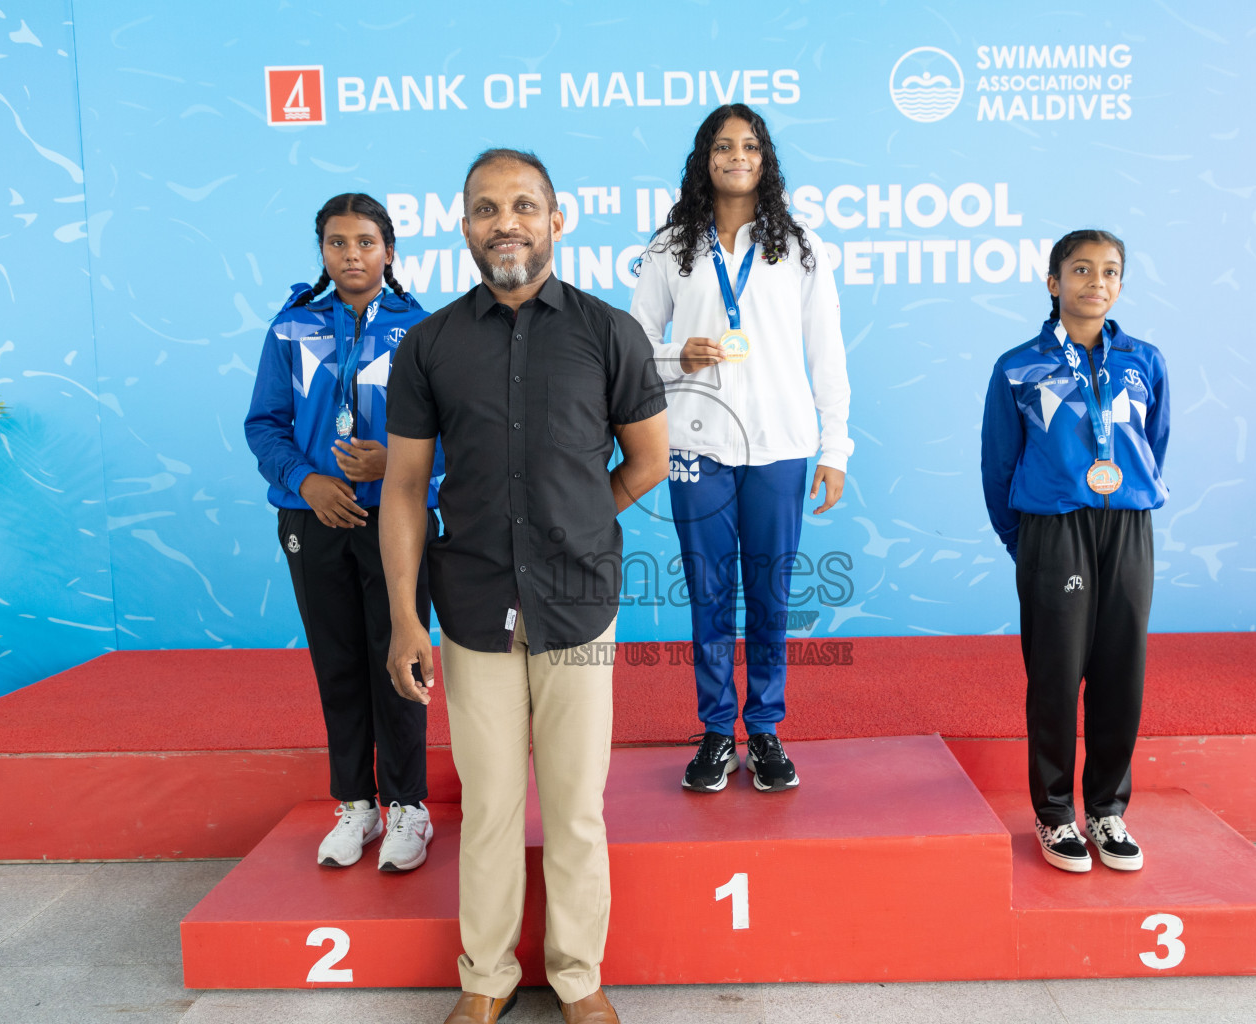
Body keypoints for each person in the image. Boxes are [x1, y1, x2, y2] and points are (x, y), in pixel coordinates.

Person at [380, 149, 669, 1024]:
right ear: (464, 225)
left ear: (556, 218)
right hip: (469, 610)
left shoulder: (609, 331)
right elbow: (402, 489)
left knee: (577, 810)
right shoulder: (429, 344)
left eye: (523, 206)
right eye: (486, 208)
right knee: (493, 807)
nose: (506, 222)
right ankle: (488, 976)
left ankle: (580, 977)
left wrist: (581, 520)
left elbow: (648, 459)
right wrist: (404, 619)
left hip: (578, 604)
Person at [629, 103, 852, 794]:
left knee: (770, 595)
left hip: (782, 442)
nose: (736, 156)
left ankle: (766, 729)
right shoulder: (671, 248)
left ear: (765, 159)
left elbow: (828, 353)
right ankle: (717, 732)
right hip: (696, 442)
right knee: (709, 593)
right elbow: (633, 349)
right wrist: (676, 355)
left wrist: (835, 446)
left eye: (749, 146)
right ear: (705, 157)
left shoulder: (801, 246)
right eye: (723, 145)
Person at [244, 192, 443, 873]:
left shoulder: (424, 329)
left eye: (365, 241)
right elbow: (263, 424)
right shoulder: (291, 326)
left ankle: (408, 809)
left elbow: (455, 435)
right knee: (339, 662)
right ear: (322, 251)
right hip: (314, 519)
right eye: (337, 243)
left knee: (400, 658)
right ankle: (356, 805)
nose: (351, 255)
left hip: (400, 515)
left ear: (389, 250)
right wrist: (308, 483)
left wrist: (397, 464)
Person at [979, 228, 1169, 874]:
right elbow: (998, 465)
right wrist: (1025, 541)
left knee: (1123, 670)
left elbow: (1156, 443)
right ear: (1054, 282)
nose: (1097, 282)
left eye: (1110, 271)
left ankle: (1108, 809)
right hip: (1052, 530)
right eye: (1081, 270)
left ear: (1121, 284)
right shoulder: (1017, 365)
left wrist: (1130, 500)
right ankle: (1055, 813)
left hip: (1128, 525)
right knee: (1057, 675)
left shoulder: (1145, 360)